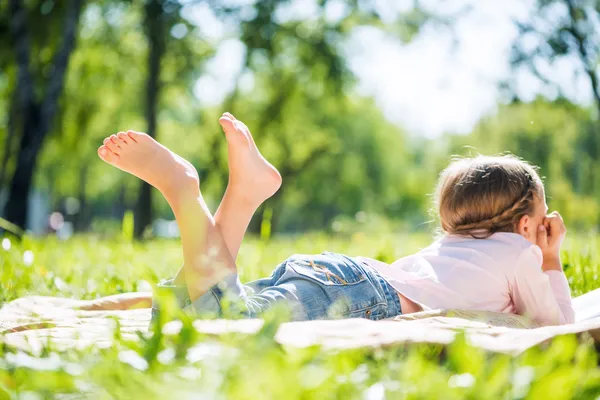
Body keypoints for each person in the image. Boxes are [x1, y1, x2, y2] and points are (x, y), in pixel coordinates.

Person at [96, 113, 574, 326]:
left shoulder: (451, 247)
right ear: (528, 224)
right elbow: (554, 322)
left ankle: (243, 197)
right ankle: (184, 189)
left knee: (181, 312)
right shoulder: (520, 252)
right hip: (366, 297)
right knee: (220, 317)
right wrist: (549, 259)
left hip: (345, 275)